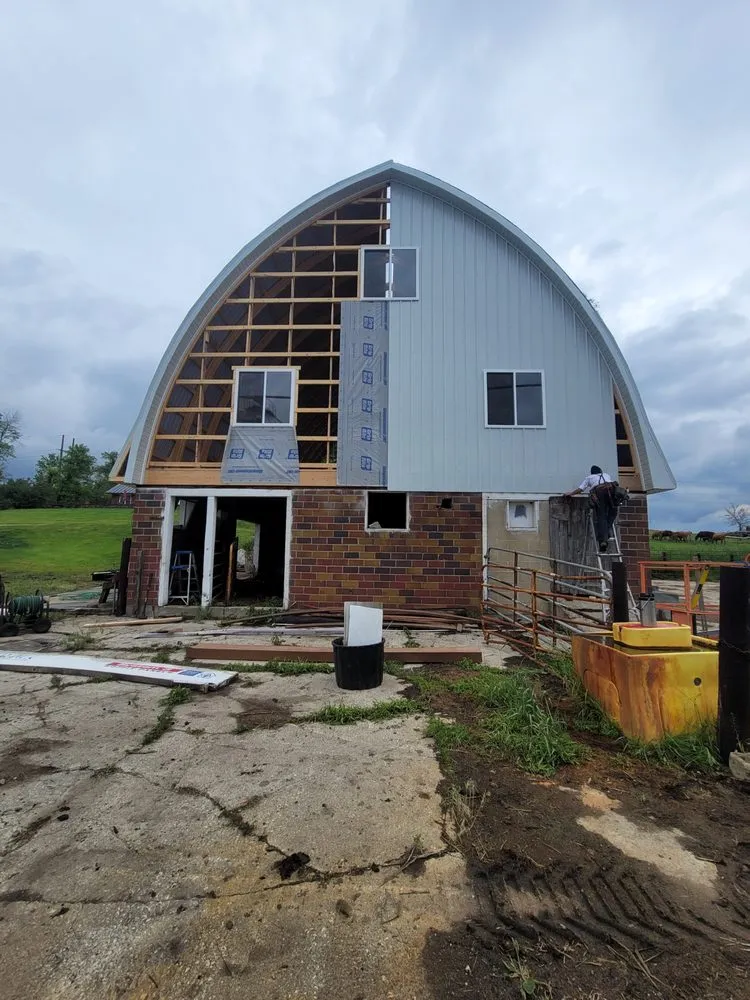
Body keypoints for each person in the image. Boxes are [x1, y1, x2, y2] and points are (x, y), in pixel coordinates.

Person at [565, 465, 618, 552]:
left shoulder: (589, 477)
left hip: (600, 492)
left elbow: (581, 489)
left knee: (602, 516)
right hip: (612, 491)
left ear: (592, 472)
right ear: (600, 471)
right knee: (613, 512)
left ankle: (603, 540)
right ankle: (607, 529)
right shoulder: (606, 475)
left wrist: (570, 493)